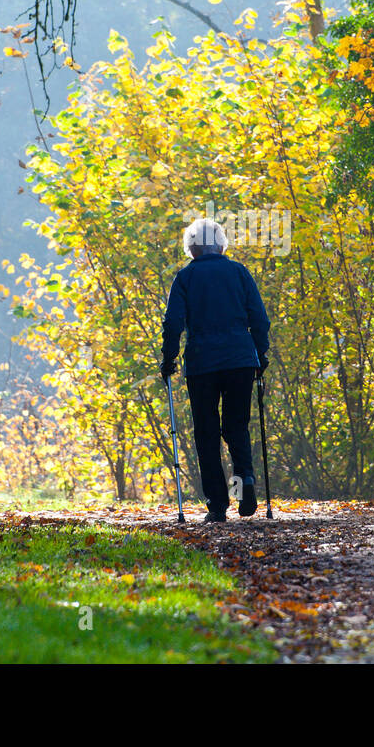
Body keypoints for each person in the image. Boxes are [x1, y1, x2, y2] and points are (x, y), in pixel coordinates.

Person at [160, 217, 271, 522]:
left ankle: (218, 505)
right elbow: (259, 319)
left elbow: (173, 324)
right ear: (221, 244)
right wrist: (261, 354)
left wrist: (168, 359)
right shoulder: (238, 272)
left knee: (206, 432)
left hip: (202, 363)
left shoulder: (185, 277)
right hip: (240, 359)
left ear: (191, 247)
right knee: (236, 425)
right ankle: (244, 481)